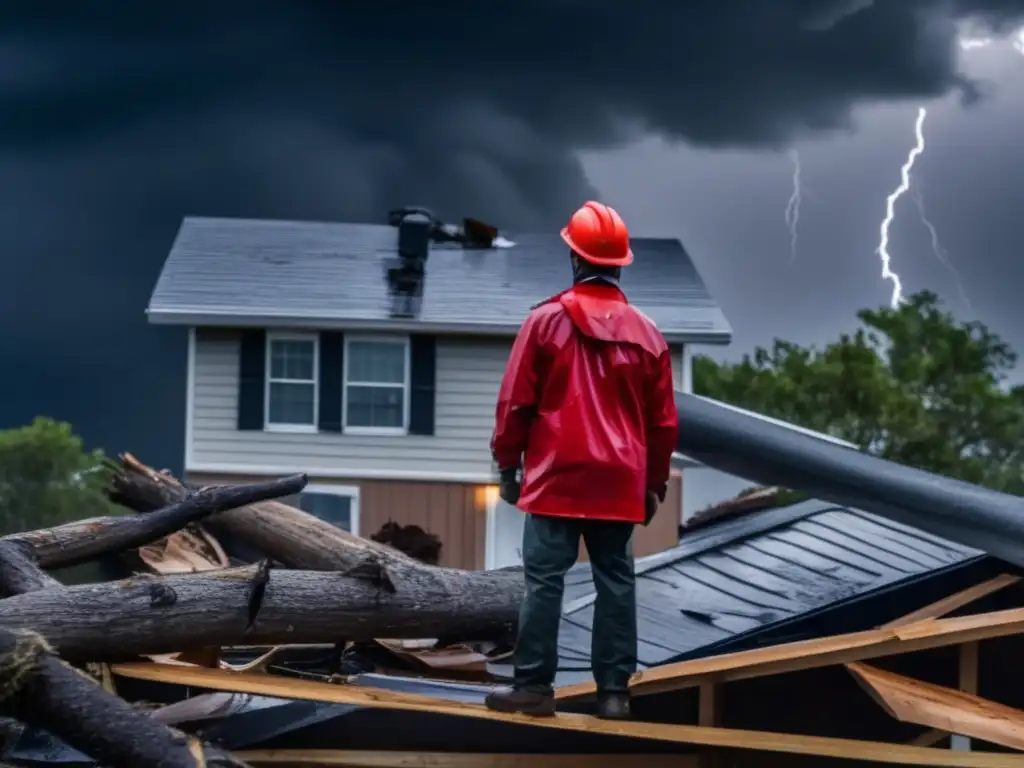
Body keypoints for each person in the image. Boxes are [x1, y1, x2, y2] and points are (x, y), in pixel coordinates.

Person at [484, 200, 679, 721]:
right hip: (620, 482)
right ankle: (614, 694)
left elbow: (515, 404)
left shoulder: (545, 322)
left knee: (545, 581)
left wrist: (507, 466)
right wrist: (653, 484)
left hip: (557, 477)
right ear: (619, 264)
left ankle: (532, 690)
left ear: (574, 258)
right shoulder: (649, 334)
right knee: (615, 581)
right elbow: (663, 424)